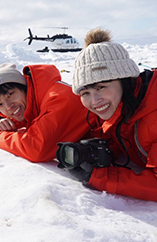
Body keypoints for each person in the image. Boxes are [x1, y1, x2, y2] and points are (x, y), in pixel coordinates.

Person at [60, 28, 157, 201]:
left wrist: (100, 178)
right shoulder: (122, 107)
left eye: (101, 87)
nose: (94, 101)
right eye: (85, 93)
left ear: (125, 79)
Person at [0, 63, 96, 162]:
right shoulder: (31, 104)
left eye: (10, 94)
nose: (8, 106)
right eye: (0, 104)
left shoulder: (58, 99)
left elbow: (35, 148)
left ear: (25, 88)